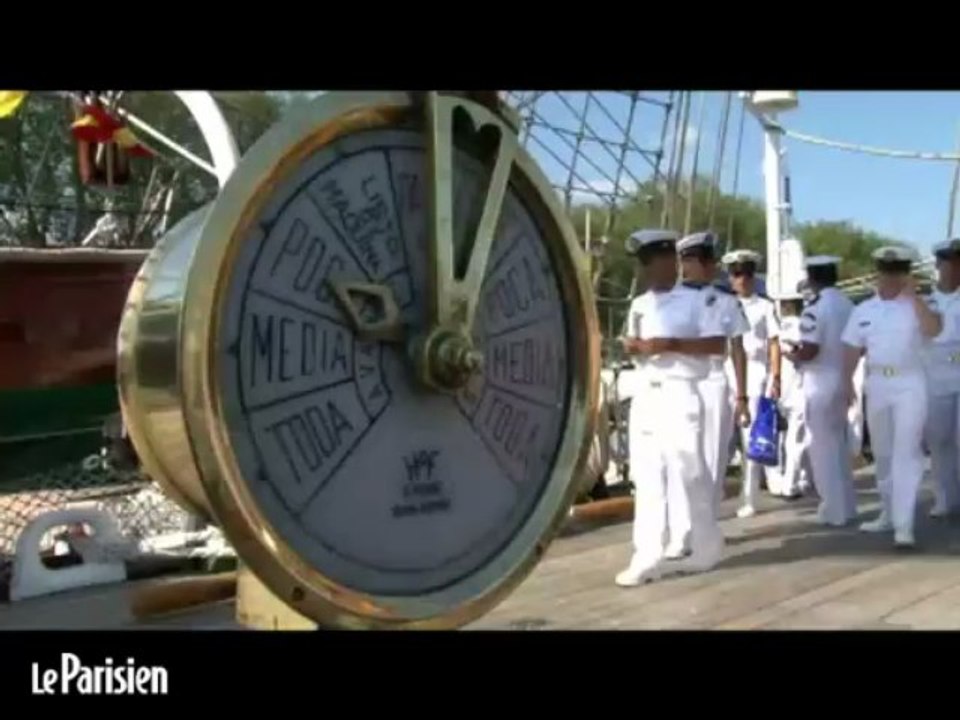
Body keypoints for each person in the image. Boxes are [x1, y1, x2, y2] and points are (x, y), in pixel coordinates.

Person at [615, 229, 727, 586]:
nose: (654, 271)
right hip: (647, 391)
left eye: (661, 262)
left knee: (690, 471)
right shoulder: (639, 305)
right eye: (647, 264)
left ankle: (706, 543)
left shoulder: (700, 301)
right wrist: (632, 346)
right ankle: (646, 555)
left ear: (672, 262)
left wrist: (672, 343)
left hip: (681, 390)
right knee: (646, 476)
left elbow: (717, 345)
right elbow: (629, 340)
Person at [841, 246, 942, 547]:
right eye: (887, 271)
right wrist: (846, 381)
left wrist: (914, 298)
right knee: (883, 454)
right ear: (878, 273)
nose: (891, 278)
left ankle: (904, 525)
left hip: (910, 382)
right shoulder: (864, 310)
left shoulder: (918, 305)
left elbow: (934, 329)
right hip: (877, 383)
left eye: (898, 272)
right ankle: (888, 512)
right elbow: (851, 347)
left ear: (905, 274)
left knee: (906, 452)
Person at [676, 232, 750, 538]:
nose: (692, 267)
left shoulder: (726, 302)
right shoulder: (668, 300)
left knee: (713, 457)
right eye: (688, 261)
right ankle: (682, 528)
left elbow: (737, 349)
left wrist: (743, 396)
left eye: (699, 261)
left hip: (714, 379)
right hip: (679, 381)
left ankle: (705, 526)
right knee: (682, 457)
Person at [785, 256, 856, 526]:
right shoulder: (847, 304)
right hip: (843, 375)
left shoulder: (814, 308)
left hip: (819, 378)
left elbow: (811, 348)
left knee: (822, 447)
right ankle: (847, 505)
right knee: (838, 444)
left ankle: (832, 509)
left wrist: (794, 356)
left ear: (812, 278)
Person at [721, 249, 782, 518]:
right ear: (730, 278)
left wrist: (776, 376)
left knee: (750, 440)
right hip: (724, 371)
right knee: (721, 439)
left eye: (746, 274)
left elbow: (774, 343)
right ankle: (714, 497)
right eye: (736, 274)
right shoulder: (722, 304)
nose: (742, 279)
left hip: (756, 372)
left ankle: (750, 496)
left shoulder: (765, 307)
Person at [921, 239, 960, 518]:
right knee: (939, 441)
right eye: (950, 264)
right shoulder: (925, 302)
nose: (954, 270)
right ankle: (945, 497)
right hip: (935, 377)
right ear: (939, 265)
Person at [765, 287, 809, 499]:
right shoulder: (802, 326)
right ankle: (791, 483)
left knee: (781, 438)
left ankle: (785, 478)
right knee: (796, 438)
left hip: (777, 387)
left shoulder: (775, 327)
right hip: (797, 388)